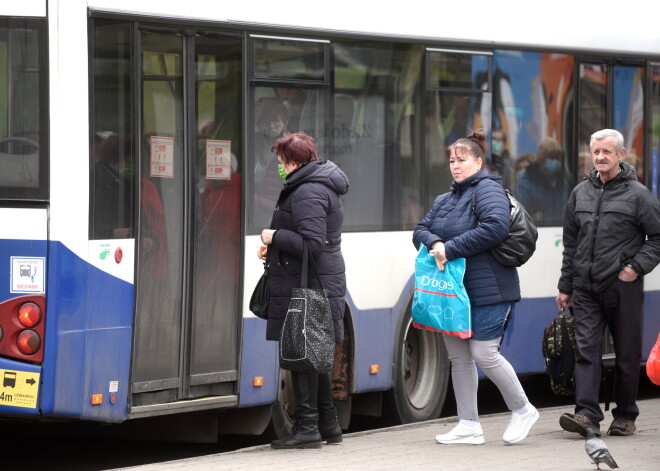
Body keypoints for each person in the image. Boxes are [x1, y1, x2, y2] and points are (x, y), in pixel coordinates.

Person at [413, 131, 539, 445]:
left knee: (484, 352)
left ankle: (523, 409)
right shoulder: (446, 199)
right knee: (458, 357)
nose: (455, 166)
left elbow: (496, 227)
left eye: (462, 160)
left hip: (490, 288)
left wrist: (450, 249)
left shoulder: (487, 189)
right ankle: (469, 424)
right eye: (452, 161)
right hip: (454, 293)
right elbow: (419, 230)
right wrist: (436, 242)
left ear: (479, 162)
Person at [556, 129, 660, 437]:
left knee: (627, 355)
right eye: (596, 152)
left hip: (622, 287)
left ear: (621, 154)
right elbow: (571, 244)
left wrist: (635, 268)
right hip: (586, 288)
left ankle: (626, 414)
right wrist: (566, 286)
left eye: (606, 152)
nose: (600, 157)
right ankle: (587, 414)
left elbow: (656, 238)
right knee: (585, 351)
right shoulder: (579, 193)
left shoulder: (639, 195)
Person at [258, 132, 349, 449]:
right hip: (312, 280)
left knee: (301, 352)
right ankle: (329, 425)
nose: (279, 168)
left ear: (295, 162)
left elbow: (313, 245)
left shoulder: (308, 191)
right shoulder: (311, 185)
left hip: (309, 285)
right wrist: (275, 249)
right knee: (315, 353)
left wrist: (274, 237)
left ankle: (308, 428)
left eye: (281, 162)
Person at [515, 137, 570, 226]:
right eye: (552, 158)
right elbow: (520, 217)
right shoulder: (526, 185)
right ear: (542, 158)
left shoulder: (564, 184)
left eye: (558, 158)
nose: (556, 161)